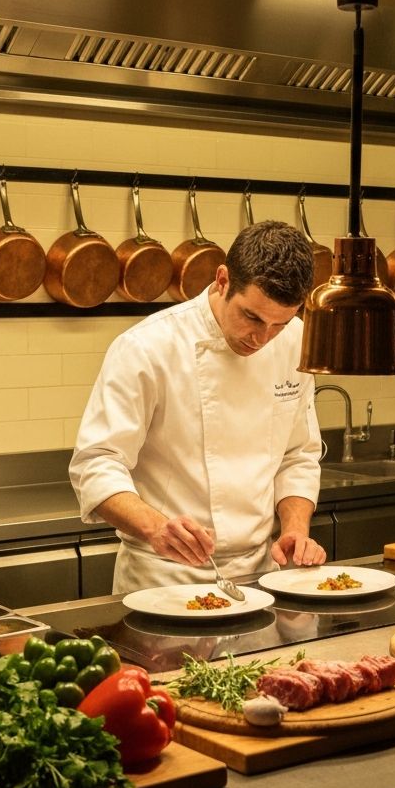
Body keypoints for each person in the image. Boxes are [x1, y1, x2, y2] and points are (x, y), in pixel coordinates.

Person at [70, 219, 327, 593]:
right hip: (164, 576)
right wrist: (156, 528)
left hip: (260, 573)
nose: (262, 338)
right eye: (251, 317)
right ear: (223, 280)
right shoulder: (148, 347)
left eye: (279, 324)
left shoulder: (296, 341)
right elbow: (96, 463)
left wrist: (295, 529)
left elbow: (297, 455)